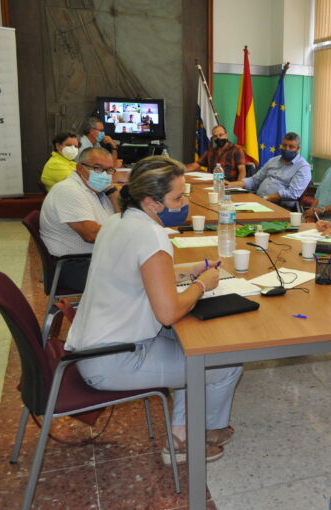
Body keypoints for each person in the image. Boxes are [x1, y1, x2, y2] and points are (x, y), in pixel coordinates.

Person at [64, 155, 243, 467]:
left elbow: (143, 274)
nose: (183, 204)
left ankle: (183, 433)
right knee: (225, 361)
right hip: (114, 358)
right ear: (151, 202)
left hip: (96, 346)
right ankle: (196, 436)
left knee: (197, 347)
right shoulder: (151, 234)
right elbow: (168, 313)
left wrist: (191, 270)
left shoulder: (118, 221)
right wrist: (202, 284)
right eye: (177, 198)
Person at [39, 147, 118, 291]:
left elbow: (124, 217)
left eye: (109, 170)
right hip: (73, 266)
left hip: (93, 259)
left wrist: (111, 191)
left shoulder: (96, 190)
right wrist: (127, 235)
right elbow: (92, 235)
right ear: (80, 168)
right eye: (97, 168)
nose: (104, 175)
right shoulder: (68, 191)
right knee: (143, 277)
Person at [228, 132, 311, 209]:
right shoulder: (273, 160)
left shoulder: (303, 167)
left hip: (280, 206)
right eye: (284, 146)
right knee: (230, 207)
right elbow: (254, 180)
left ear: (297, 148)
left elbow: (293, 193)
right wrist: (231, 185)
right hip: (259, 201)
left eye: (291, 147)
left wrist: (266, 198)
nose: (287, 149)